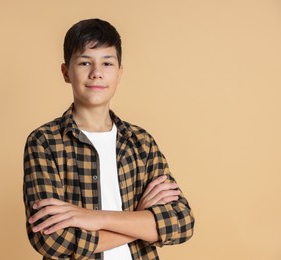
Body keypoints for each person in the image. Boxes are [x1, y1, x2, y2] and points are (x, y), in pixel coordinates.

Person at [23, 18, 194, 260]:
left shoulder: (141, 143)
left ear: (119, 73)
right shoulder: (45, 142)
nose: (96, 73)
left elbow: (181, 221)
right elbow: (52, 240)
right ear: (66, 72)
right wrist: (139, 218)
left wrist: (95, 217)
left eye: (107, 63)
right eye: (84, 62)